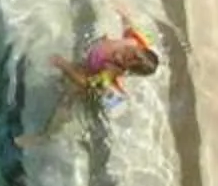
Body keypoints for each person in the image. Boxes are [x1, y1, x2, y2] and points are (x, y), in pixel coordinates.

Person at [20, 9, 163, 147]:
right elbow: (131, 27)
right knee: (64, 80)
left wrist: (64, 65)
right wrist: (124, 15)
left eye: (123, 60)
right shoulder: (134, 41)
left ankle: (45, 137)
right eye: (127, 52)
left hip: (89, 75)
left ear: (127, 68)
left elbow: (86, 83)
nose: (119, 54)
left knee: (66, 100)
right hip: (88, 61)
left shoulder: (110, 71)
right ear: (138, 48)